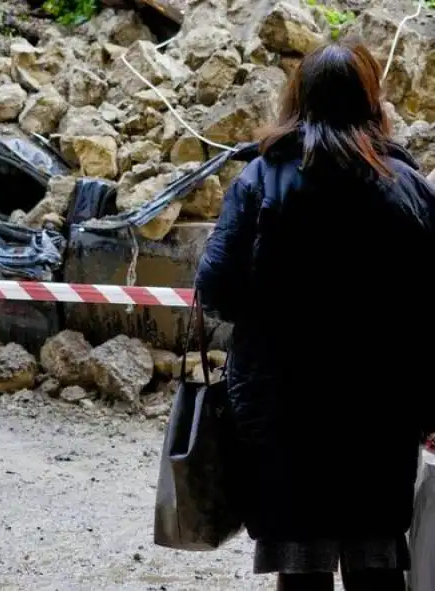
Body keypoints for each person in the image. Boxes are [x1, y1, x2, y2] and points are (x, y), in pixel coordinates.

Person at [195, 41, 435, 591]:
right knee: (377, 558)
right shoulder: (408, 189)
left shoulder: (260, 180)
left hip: (284, 411)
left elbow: (217, 291)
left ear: (297, 99)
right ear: (372, 101)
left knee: (300, 565)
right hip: (381, 411)